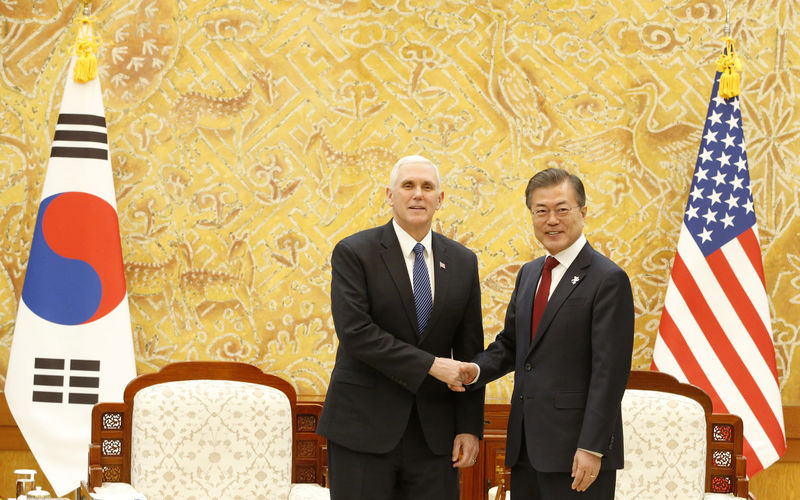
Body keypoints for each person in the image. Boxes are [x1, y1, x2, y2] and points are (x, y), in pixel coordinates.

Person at [454, 168, 634, 499]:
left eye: (562, 209)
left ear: (583, 212)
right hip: (526, 449)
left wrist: (592, 447)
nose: (552, 220)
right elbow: (511, 345)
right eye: (541, 211)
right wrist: (475, 370)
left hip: (577, 454)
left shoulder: (608, 279)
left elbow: (610, 373)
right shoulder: (530, 273)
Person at [317, 155, 485, 500]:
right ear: (390, 195)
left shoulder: (463, 262)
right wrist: (431, 365)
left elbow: (470, 349)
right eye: (408, 186)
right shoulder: (354, 252)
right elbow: (356, 333)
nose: (417, 194)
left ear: (441, 199)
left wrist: (469, 427)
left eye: (427, 187)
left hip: (434, 437)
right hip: (362, 429)